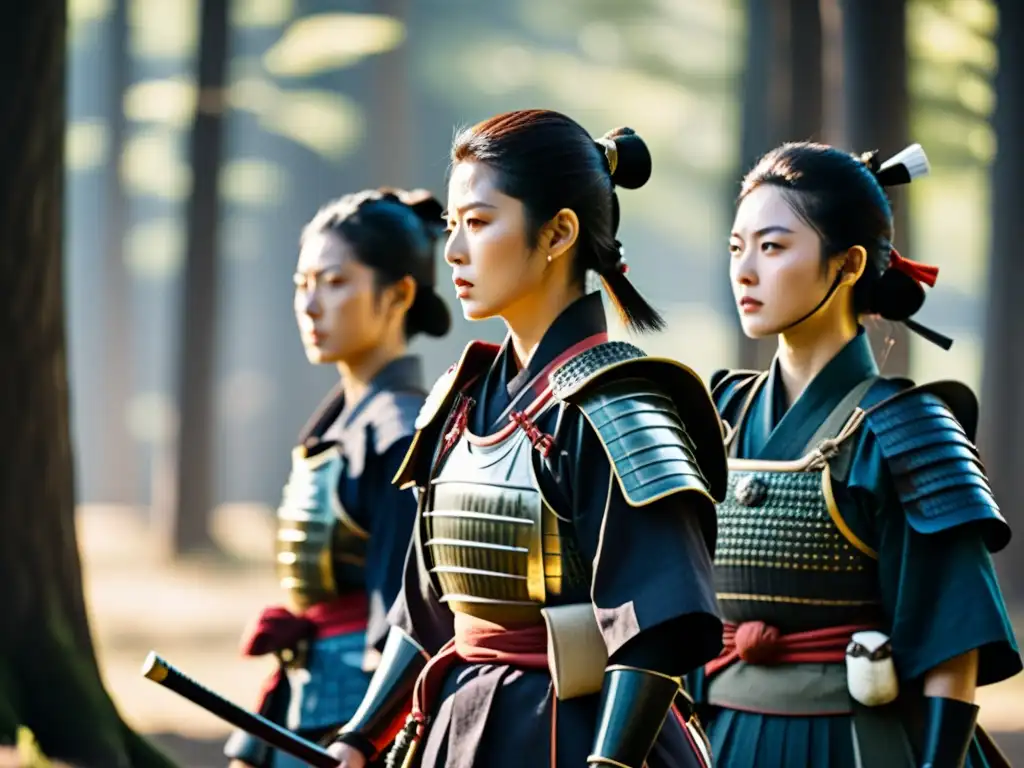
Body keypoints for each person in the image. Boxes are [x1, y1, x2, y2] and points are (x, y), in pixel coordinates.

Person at [325, 109, 728, 768]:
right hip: (457, 726)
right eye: (453, 227)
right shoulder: (462, 396)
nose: (453, 251)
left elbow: (659, 626)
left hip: (578, 737)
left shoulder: (619, 403)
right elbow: (424, 610)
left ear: (559, 232)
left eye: (479, 224)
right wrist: (358, 736)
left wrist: (609, 765)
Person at [692, 141, 1021, 768]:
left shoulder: (908, 428)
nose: (744, 270)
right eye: (737, 247)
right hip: (721, 737)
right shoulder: (719, 411)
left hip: (855, 742)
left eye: (773, 246)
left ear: (848, 266)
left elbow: (952, 645)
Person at [224, 188, 452, 768]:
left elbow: (407, 619)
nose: (311, 304)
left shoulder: (400, 435)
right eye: (303, 284)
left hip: (358, 723)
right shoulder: (343, 423)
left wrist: (367, 738)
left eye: (335, 282)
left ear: (399, 292)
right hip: (313, 704)